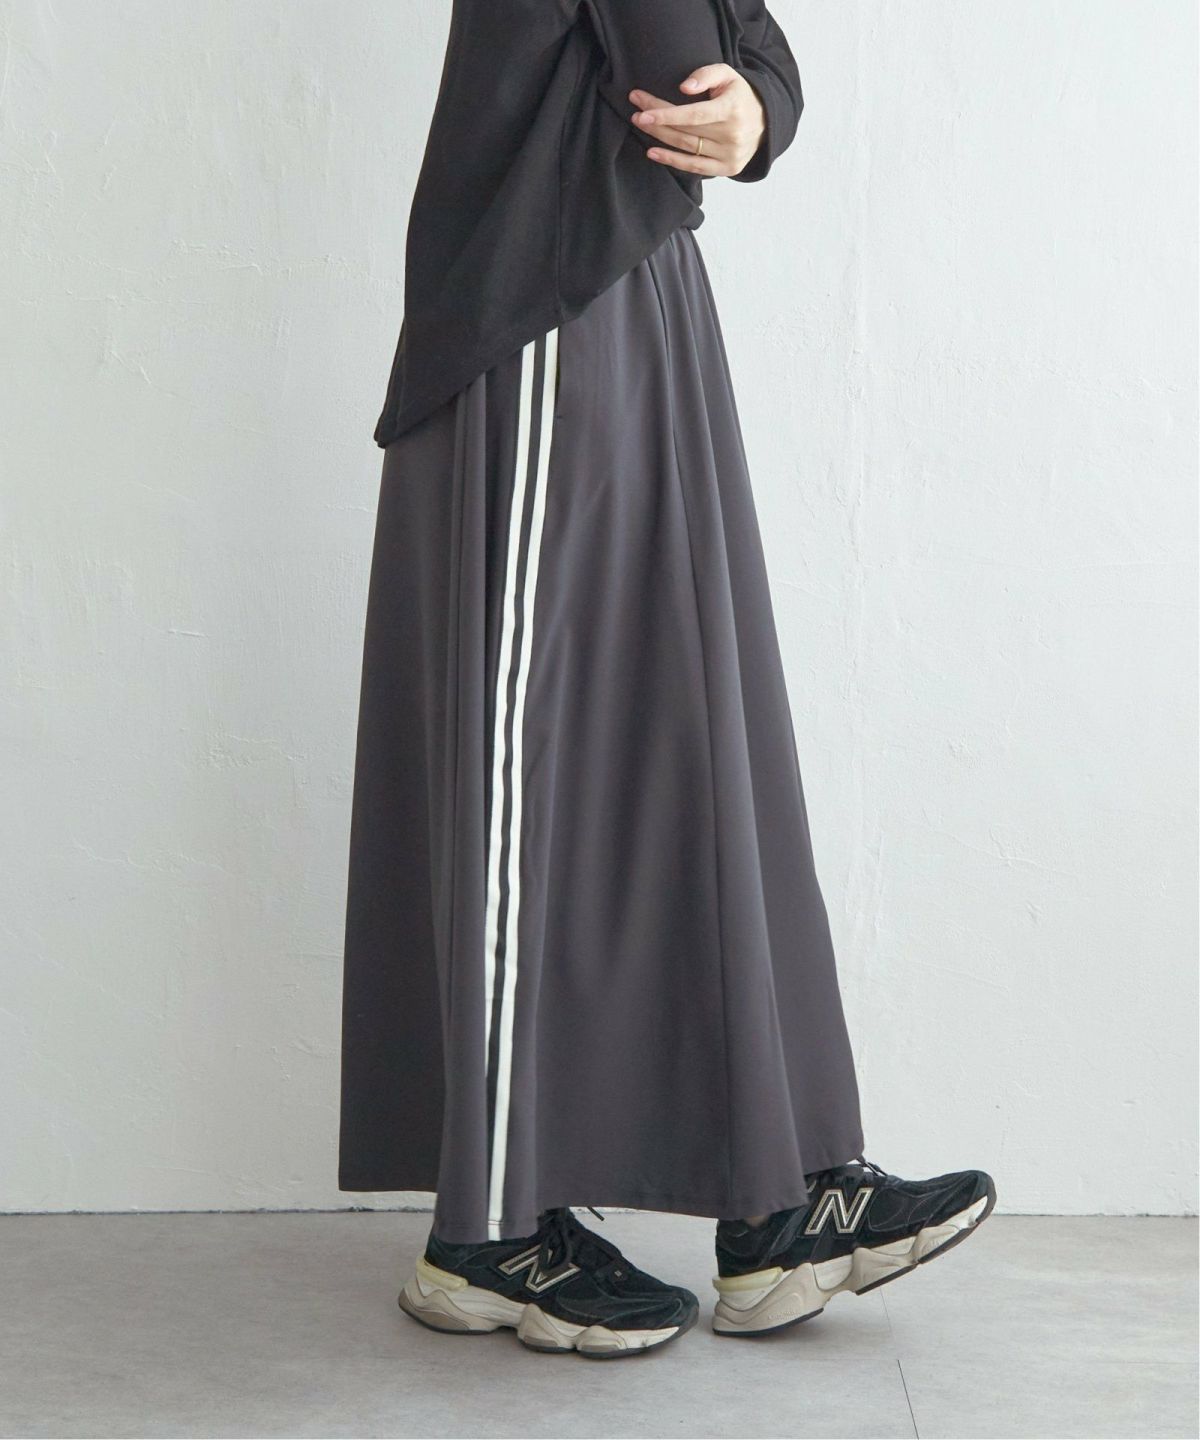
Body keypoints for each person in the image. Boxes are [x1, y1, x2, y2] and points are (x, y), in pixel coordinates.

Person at [338, 0, 994, 1358]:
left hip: (628, 282)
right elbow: (683, 64)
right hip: (538, 305)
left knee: (702, 737)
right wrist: (746, 91)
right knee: (530, 776)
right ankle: (487, 1232)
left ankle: (782, 1197)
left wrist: (762, 105)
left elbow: (743, 64)